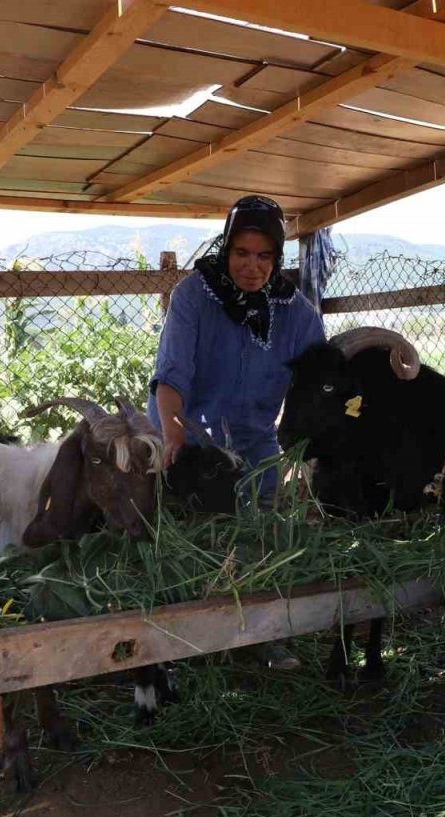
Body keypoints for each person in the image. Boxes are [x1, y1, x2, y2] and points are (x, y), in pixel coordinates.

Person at [147, 194, 325, 668]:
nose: (252, 266)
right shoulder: (193, 297)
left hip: (255, 439)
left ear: (277, 258)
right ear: (226, 251)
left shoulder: (297, 314)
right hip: (192, 435)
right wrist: (174, 439)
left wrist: (307, 442)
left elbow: (317, 383)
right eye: (242, 254)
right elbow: (171, 378)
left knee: (265, 535)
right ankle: (180, 639)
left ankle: (264, 635)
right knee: (190, 536)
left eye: (264, 256)